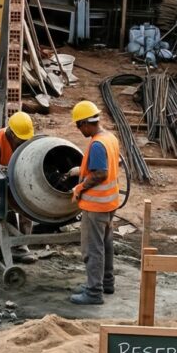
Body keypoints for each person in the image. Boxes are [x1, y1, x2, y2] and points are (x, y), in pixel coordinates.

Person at [67, 100, 122, 305]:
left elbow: (100, 173)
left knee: (93, 249)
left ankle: (93, 292)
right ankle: (106, 283)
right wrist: (79, 172)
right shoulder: (109, 137)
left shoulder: (97, 144)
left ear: (85, 123)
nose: (78, 130)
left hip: (96, 206)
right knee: (106, 244)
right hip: (110, 203)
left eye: (78, 126)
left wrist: (79, 187)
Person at [0, 111, 34, 259]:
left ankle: (22, 245)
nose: (23, 142)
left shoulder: (26, 138)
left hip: (19, 178)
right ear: (11, 133)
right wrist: (4, 173)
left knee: (28, 209)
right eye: (20, 139)